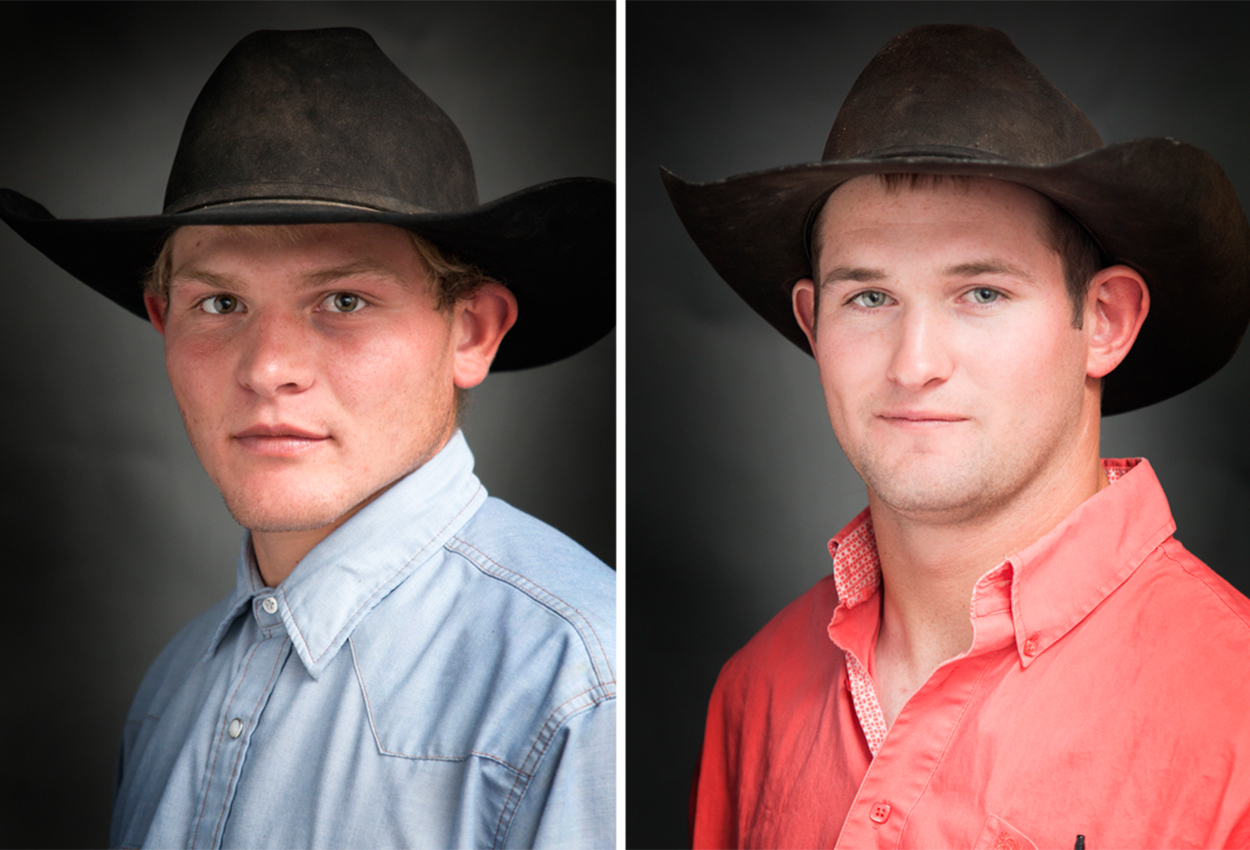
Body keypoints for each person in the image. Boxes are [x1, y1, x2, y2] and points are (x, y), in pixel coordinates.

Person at [1, 26, 614, 849]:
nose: (268, 368)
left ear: (472, 331)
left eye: (344, 301)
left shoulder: (577, 685)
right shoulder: (170, 692)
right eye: (220, 304)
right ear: (162, 322)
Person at [663, 23, 1250, 848]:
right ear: (812, 325)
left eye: (981, 292)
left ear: (1105, 321)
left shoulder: (1236, 712)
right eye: (868, 298)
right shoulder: (754, 691)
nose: (916, 362)